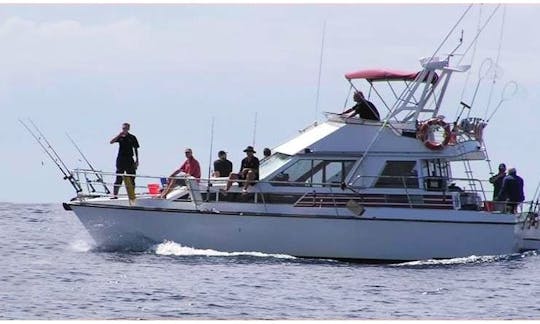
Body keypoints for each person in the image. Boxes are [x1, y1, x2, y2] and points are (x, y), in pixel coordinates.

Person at [110, 122, 139, 199]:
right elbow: (111, 142)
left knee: (131, 177)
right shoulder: (120, 137)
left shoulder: (132, 137)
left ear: (128, 129)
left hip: (129, 159)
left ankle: (132, 195)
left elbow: (136, 149)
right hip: (121, 159)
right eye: (123, 128)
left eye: (126, 128)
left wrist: (137, 160)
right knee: (119, 177)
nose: (124, 130)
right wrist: (119, 135)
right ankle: (115, 195)